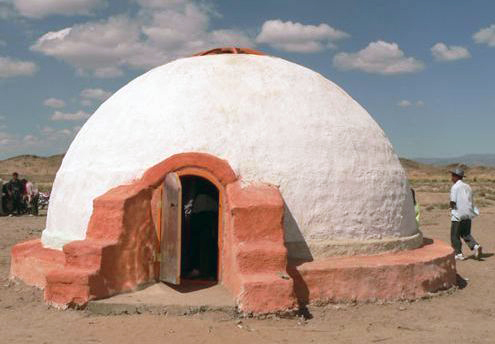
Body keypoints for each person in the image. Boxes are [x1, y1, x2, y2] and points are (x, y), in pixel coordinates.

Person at [449, 167, 482, 261]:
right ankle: (475, 246)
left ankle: (458, 254)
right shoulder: (468, 186)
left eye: (452, 176)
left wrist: (451, 209)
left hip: (458, 214)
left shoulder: (455, 187)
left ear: (456, 176)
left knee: (454, 235)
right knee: (466, 233)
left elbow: (453, 202)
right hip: (468, 213)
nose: (451, 178)